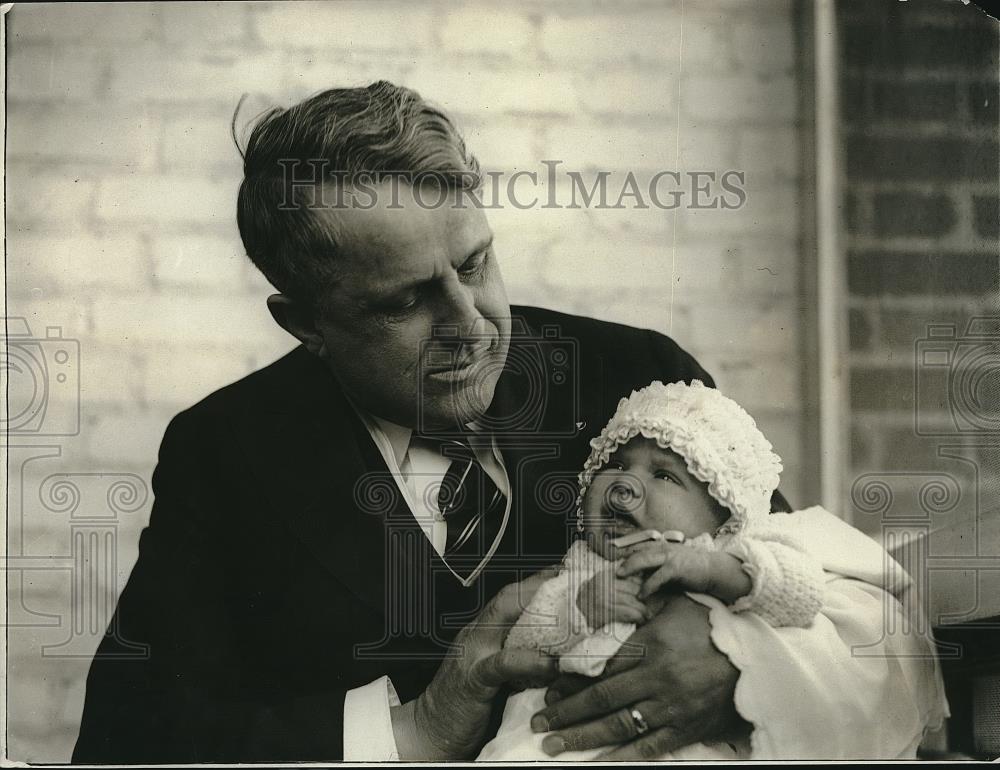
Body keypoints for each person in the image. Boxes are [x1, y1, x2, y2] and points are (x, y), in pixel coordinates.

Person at [73, 81, 943, 763]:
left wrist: (745, 667)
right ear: (304, 324)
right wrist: (417, 728)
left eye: (474, 262)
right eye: (405, 302)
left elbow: (849, 610)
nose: (472, 323)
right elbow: (127, 748)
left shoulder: (634, 376)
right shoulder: (226, 453)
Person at [479, 380, 945, 760]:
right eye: (616, 463)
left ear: (723, 513)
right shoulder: (582, 566)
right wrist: (580, 609)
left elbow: (800, 593)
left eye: (664, 475)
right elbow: (524, 648)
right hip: (567, 738)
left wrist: (720, 571)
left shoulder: (733, 550)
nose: (626, 484)